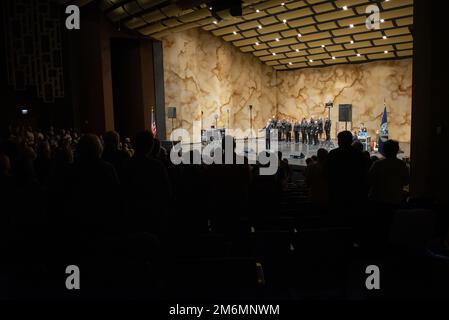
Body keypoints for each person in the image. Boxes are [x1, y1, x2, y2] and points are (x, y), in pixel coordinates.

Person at [326, 131, 366, 208]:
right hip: (355, 192)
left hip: (336, 191)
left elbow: (326, 171)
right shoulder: (359, 154)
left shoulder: (333, 154)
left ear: (339, 142)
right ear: (351, 141)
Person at [367, 140, 409, 206]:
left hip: (379, 200)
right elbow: (406, 182)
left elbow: (369, 180)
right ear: (397, 150)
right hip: (396, 200)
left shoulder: (377, 164)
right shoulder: (402, 165)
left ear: (384, 151)